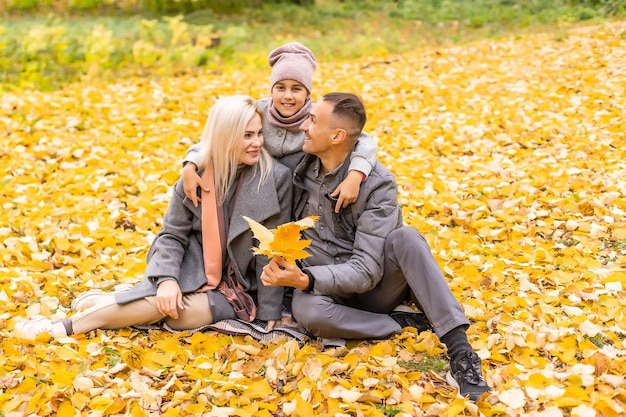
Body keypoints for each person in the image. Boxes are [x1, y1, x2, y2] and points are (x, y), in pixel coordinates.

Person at [260, 92, 491, 401]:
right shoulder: (301, 167)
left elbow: (367, 270)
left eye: (313, 120)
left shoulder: (378, 184)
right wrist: (193, 162)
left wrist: (308, 280)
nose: (304, 126)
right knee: (305, 308)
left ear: (337, 136)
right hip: (328, 294)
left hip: (374, 287)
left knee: (406, 238)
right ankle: (398, 322)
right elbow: (240, 142)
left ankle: (461, 352)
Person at [14, 95, 293, 340]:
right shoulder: (195, 176)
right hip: (191, 266)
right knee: (166, 302)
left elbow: (270, 250)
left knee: (181, 316)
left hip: (235, 287)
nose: (257, 142)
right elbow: (172, 234)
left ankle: (114, 300)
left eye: (259, 134)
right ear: (225, 136)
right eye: (247, 135)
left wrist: (270, 311)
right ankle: (62, 327)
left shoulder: (275, 178)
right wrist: (168, 280)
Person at [182, 42, 377, 214]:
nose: (288, 96)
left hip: (301, 193)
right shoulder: (258, 111)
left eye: (296, 89)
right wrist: (190, 165)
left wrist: (355, 175)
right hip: (259, 187)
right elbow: (220, 134)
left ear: (308, 92)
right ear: (272, 89)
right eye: (280, 88)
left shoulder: (316, 117)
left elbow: (361, 139)